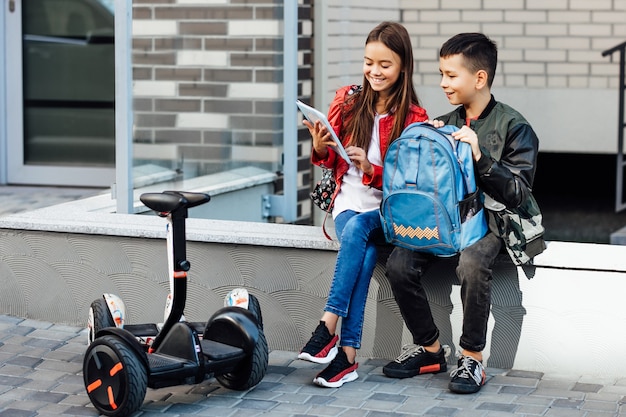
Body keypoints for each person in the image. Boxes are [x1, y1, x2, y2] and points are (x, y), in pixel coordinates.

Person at [382, 32, 541, 394]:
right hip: (444, 222)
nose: (443, 83)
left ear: (479, 78)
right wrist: (426, 141)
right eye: (441, 73)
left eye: (451, 75)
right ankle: (430, 350)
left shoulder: (515, 127)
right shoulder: (444, 122)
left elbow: (518, 194)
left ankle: (472, 358)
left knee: (471, 262)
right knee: (399, 264)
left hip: (492, 222)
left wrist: (480, 157)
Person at [298, 21, 428, 388]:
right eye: (369, 62)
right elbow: (328, 162)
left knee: (360, 232)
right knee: (363, 248)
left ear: (403, 66)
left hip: (386, 211)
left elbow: (410, 185)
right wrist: (322, 147)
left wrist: (372, 169)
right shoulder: (347, 101)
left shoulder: (414, 119)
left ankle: (328, 326)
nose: (374, 71)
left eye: (385, 64)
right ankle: (347, 357)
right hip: (347, 204)